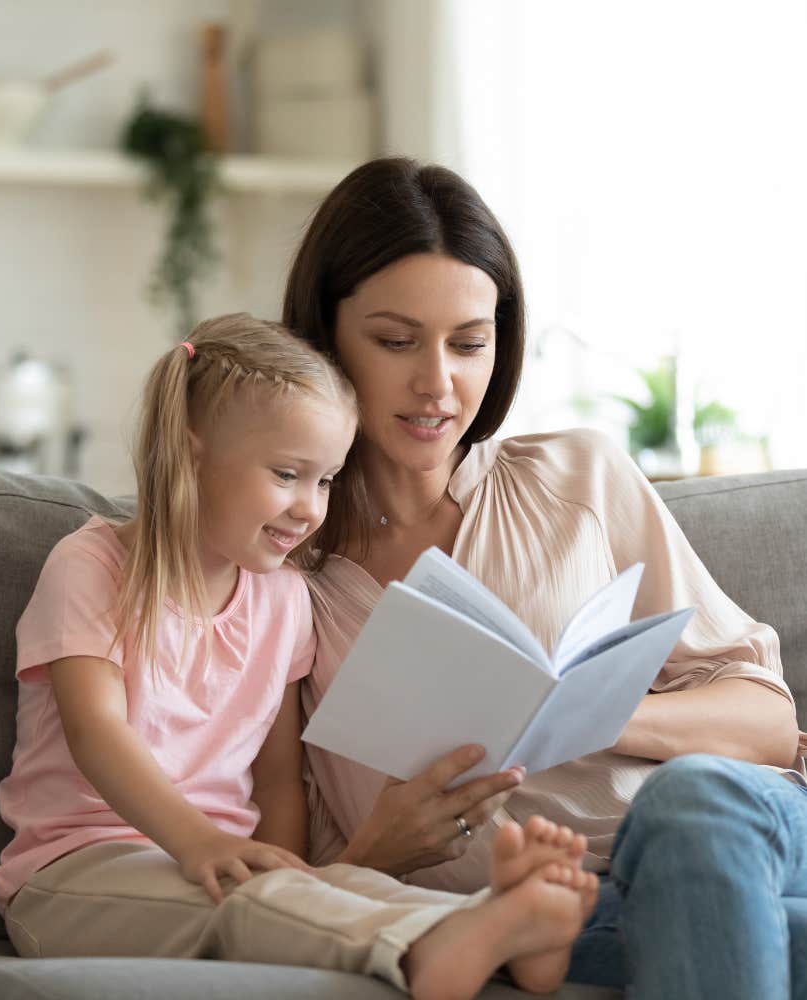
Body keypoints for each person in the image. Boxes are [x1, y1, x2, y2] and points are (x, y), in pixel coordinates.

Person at [283, 157, 807, 999]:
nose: (438, 383)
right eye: (395, 340)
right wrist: (379, 849)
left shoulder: (578, 479)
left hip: (728, 833)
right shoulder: (281, 577)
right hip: (551, 922)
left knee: (694, 801)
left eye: (469, 343)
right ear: (326, 334)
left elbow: (770, 724)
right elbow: (285, 878)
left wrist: (594, 712)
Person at [0, 312, 600, 1000]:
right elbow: (96, 732)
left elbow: (278, 781)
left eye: (327, 480)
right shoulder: (93, 566)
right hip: (76, 874)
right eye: (288, 474)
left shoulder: (283, 601)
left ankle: (501, 935)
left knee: (329, 891)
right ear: (193, 457)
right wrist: (200, 843)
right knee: (248, 905)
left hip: (221, 867)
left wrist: (289, 867)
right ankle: (442, 946)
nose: (311, 509)